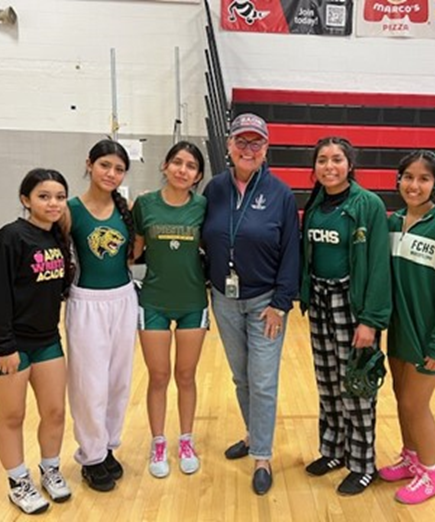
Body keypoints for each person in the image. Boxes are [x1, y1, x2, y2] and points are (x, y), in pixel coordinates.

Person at [201, 113, 300, 496]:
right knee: (241, 377)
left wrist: (280, 302)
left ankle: (262, 455)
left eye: (255, 143)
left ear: (266, 149)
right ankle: (251, 432)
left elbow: (292, 253)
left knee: (261, 380)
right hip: (224, 300)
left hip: (265, 304)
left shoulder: (280, 194)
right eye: (241, 142)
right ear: (229, 147)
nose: (248, 149)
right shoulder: (214, 189)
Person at [299, 137, 392, 495]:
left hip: (353, 308)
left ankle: (363, 463)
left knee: (357, 388)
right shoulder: (317, 204)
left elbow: (380, 266)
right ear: (315, 168)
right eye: (322, 159)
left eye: (337, 159)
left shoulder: (368, 204)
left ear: (349, 165)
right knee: (328, 385)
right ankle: (334, 450)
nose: (329, 166)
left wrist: (370, 320)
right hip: (321, 304)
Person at [0, 169, 73, 515]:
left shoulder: (58, 238)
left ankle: (50, 469)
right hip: (7, 343)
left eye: (59, 197)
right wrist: (5, 346)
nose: (53, 203)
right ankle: (18, 481)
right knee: (13, 415)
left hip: (46, 339)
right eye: (44, 196)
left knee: (55, 412)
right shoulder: (11, 237)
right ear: (25, 200)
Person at [379, 150, 435, 504]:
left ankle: (431, 474)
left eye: (423, 178)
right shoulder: (392, 222)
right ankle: (411, 458)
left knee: (417, 405)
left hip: (429, 336)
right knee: (402, 400)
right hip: (398, 331)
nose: (414, 185)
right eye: (408, 177)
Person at [65, 139, 138, 492]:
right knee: (88, 384)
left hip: (123, 299)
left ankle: (108, 446)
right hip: (87, 303)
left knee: (118, 381)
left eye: (119, 168)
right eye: (105, 165)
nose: (111, 173)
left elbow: (132, 256)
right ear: (89, 164)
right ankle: (91, 456)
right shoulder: (70, 210)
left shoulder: (127, 210)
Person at [131, 141, 208, 478]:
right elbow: (132, 253)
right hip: (154, 302)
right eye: (177, 162)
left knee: (186, 375)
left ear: (198, 176)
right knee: (159, 376)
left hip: (193, 302)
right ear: (164, 166)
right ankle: (159, 441)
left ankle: (186, 440)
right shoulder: (145, 205)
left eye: (190, 166)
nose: (182, 170)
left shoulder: (204, 206)